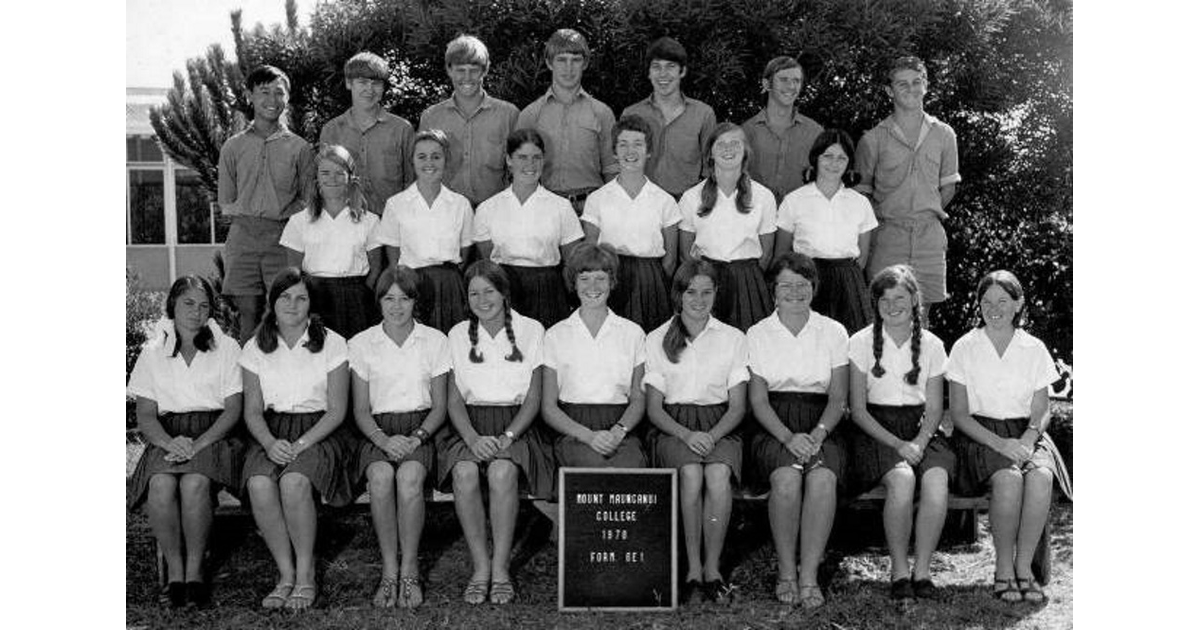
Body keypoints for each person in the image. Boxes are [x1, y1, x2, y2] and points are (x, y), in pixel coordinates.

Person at [946, 270, 1071, 604]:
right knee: (1009, 479)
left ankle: (1023, 568)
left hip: (1027, 433)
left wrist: (1029, 439)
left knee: (1042, 477)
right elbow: (958, 414)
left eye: (1003, 301)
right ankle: (1002, 569)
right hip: (979, 435)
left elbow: (1042, 409)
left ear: (1018, 304)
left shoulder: (1033, 348)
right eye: (986, 302)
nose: (994, 308)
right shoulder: (965, 347)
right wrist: (1001, 444)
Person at [440, 260, 554, 605]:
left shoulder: (532, 330)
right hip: (470, 426)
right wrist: (472, 439)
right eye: (474, 293)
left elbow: (534, 397)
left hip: (517, 427)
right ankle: (480, 566)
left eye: (489, 291)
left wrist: (507, 437)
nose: (482, 299)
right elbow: (454, 399)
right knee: (464, 473)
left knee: (503, 472)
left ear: (504, 293)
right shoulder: (457, 334)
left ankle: (502, 567)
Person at [239, 268, 353, 610]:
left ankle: (306, 575)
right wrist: (271, 443)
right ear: (272, 302)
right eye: (285, 297)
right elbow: (253, 410)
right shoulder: (255, 346)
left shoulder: (332, 343)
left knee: (294, 482)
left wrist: (300, 445)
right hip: (271, 431)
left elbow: (336, 410)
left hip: (319, 431)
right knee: (259, 483)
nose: (292, 304)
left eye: (301, 297)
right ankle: (285, 574)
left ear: (311, 305)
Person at [127, 276, 243, 608]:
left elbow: (233, 409)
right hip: (168, 435)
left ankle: (195, 573)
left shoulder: (227, 348)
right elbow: (146, 415)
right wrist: (169, 443)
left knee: (194, 483)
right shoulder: (152, 353)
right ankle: (174, 574)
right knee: (161, 485)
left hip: (215, 433)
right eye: (188, 303)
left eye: (204, 305)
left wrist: (199, 443)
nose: (196, 311)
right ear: (173, 305)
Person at [746, 252, 848, 609]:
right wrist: (788, 437)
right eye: (785, 285)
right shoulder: (757, 333)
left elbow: (838, 398)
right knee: (787, 480)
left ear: (814, 288)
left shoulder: (833, 331)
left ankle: (809, 577)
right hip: (775, 425)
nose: (794, 292)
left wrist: (818, 434)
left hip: (823, 423)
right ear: (773, 291)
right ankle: (787, 572)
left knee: (822, 480)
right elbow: (758, 401)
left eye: (802, 285)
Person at [643, 260, 749, 605]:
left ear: (717, 294)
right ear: (679, 294)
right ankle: (691, 568)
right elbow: (654, 408)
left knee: (717, 476)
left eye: (706, 292)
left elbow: (737, 406)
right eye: (691, 292)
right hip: (674, 427)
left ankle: (713, 569)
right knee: (690, 474)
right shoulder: (657, 337)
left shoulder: (733, 338)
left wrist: (713, 435)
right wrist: (688, 435)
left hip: (721, 426)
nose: (699, 299)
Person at [847, 265, 954, 601]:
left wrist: (920, 442)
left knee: (936, 481)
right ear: (875, 304)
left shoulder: (933, 345)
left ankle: (922, 572)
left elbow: (935, 408)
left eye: (900, 298)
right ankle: (899, 571)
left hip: (921, 429)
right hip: (875, 432)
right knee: (903, 479)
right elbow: (858, 410)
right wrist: (899, 445)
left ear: (915, 300)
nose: (892, 306)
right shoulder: (860, 342)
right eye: (885, 299)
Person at [348, 266, 450, 609]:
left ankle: (409, 569)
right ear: (378, 301)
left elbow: (439, 406)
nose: (396, 306)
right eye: (389, 298)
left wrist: (417, 438)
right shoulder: (361, 343)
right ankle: (389, 569)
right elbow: (361, 410)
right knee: (379, 477)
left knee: (409, 478)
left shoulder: (435, 341)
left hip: (421, 429)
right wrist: (383, 440)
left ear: (415, 301)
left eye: (404, 298)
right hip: (377, 431)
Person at [855, 56, 962, 322]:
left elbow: (948, 186)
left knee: (922, 321)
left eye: (917, 82)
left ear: (926, 85)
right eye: (902, 84)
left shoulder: (944, 134)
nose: (911, 89)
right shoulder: (872, 139)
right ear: (889, 91)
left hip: (929, 238)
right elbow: (862, 195)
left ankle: (918, 365)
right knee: (881, 315)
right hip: (888, 238)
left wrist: (924, 211)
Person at [217, 65, 316, 344]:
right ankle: (248, 383)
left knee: (284, 311)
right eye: (264, 92)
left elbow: (308, 200)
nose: (272, 100)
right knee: (247, 313)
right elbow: (226, 201)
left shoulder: (299, 148)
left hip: (284, 238)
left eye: (279, 93)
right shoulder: (233, 147)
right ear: (249, 95)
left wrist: (280, 214)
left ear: (287, 98)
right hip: (243, 237)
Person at [542, 244, 648, 470]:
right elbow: (548, 407)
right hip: (573, 430)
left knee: (629, 468)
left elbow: (639, 399)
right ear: (574, 283)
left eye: (600, 278)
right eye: (585, 278)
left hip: (621, 428)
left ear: (612, 282)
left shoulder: (633, 333)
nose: (593, 287)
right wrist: (588, 436)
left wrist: (618, 432)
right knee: (593, 470)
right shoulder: (555, 335)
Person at [473, 128, 584, 329]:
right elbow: (488, 258)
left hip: (549, 290)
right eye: (522, 157)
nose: (530, 165)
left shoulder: (561, 207)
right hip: (504, 289)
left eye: (536, 157)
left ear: (544, 160)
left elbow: (572, 262)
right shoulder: (488, 208)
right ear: (508, 160)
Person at [580, 114, 680, 331]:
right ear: (614, 152)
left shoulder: (665, 200)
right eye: (623, 145)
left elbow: (671, 259)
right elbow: (591, 251)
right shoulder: (597, 199)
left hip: (651, 280)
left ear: (649, 150)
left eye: (637, 144)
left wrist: (654, 282)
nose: (630, 151)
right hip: (611, 279)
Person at [775, 129, 877, 333]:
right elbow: (781, 255)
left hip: (848, 284)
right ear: (816, 158)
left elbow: (863, 257)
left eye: (841, 158)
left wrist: (847, 280)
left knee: (850, 344)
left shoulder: (860, 203)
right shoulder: (794, 200)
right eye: (828, 156)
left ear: (849, 162)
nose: (834, 163)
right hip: (807, 280)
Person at [678, 122, 776, 331]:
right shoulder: (691, 197)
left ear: (746, 151)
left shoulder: (764, 196)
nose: (728, 148)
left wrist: (747, 278)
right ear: (710, 153)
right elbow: (686, 253)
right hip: (706, 281)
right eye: (721, 144)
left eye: (735, 143)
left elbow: (766, 255)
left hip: (748, 282)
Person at [375, 129, 474, 333]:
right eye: (422, 156)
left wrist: (447, 280)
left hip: (450, 287)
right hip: (411, 284)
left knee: (451, 343)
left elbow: (464, 254)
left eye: (436, 156)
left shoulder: (460, 204)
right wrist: (405, 286)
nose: (429, 163)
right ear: (412, 161)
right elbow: (394, 259)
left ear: (446, 160)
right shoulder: (395, 204)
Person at [280, 144, 382, 339]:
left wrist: (360, 294)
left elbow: (376, 268)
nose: (332, 179)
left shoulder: (370, 220)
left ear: (350, 177)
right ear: (317, 178)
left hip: (356, 298)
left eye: (339, 173)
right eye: (325, 173)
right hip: (316, 297)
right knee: (319, 354)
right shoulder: (299, 221)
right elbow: (293, 272)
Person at [516, 28, 618, 213]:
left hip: (592, 208)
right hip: (545, 207)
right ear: (549, 63)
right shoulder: (530, 115)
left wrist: (612, 213)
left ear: (585, 63)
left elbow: (611, 170)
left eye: (576, 60)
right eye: (561, 60)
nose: (568, 68)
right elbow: (518, 171)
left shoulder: (602, 113)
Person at [419, 34, 520, 208]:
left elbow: (520, 169)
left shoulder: (509, 115)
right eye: (460, 70)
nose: (467, 77)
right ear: (449, 70)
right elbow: (422, 171)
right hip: (445, 212)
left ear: (485, 70)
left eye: (474, 70)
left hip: (496, 211)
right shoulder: (431, 117)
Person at [620, 36, 717, 199]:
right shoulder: (631, 114)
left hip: (687, 205)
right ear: (649, 73)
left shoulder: (703, 114)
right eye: (656, 67)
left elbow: (711, 167)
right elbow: (623, 164)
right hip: (643, 203)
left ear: (683, 71)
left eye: (670, 66)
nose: (663, 74)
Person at [319, 51, 415, 216]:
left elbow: (412, 181)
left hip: (391, 222)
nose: (369, 89)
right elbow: (325, 181)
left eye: (376, 83)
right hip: (347, 221)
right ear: (349, 83)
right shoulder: (331, 130)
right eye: (362, 82)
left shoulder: (401, 129)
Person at [742, 56, 824, 202]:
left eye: (796, 81)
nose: (791, 86)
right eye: (784, 79)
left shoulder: (815, 132)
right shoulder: (746, 132)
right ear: (767, 84)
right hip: (755, 217)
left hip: (800, 218)